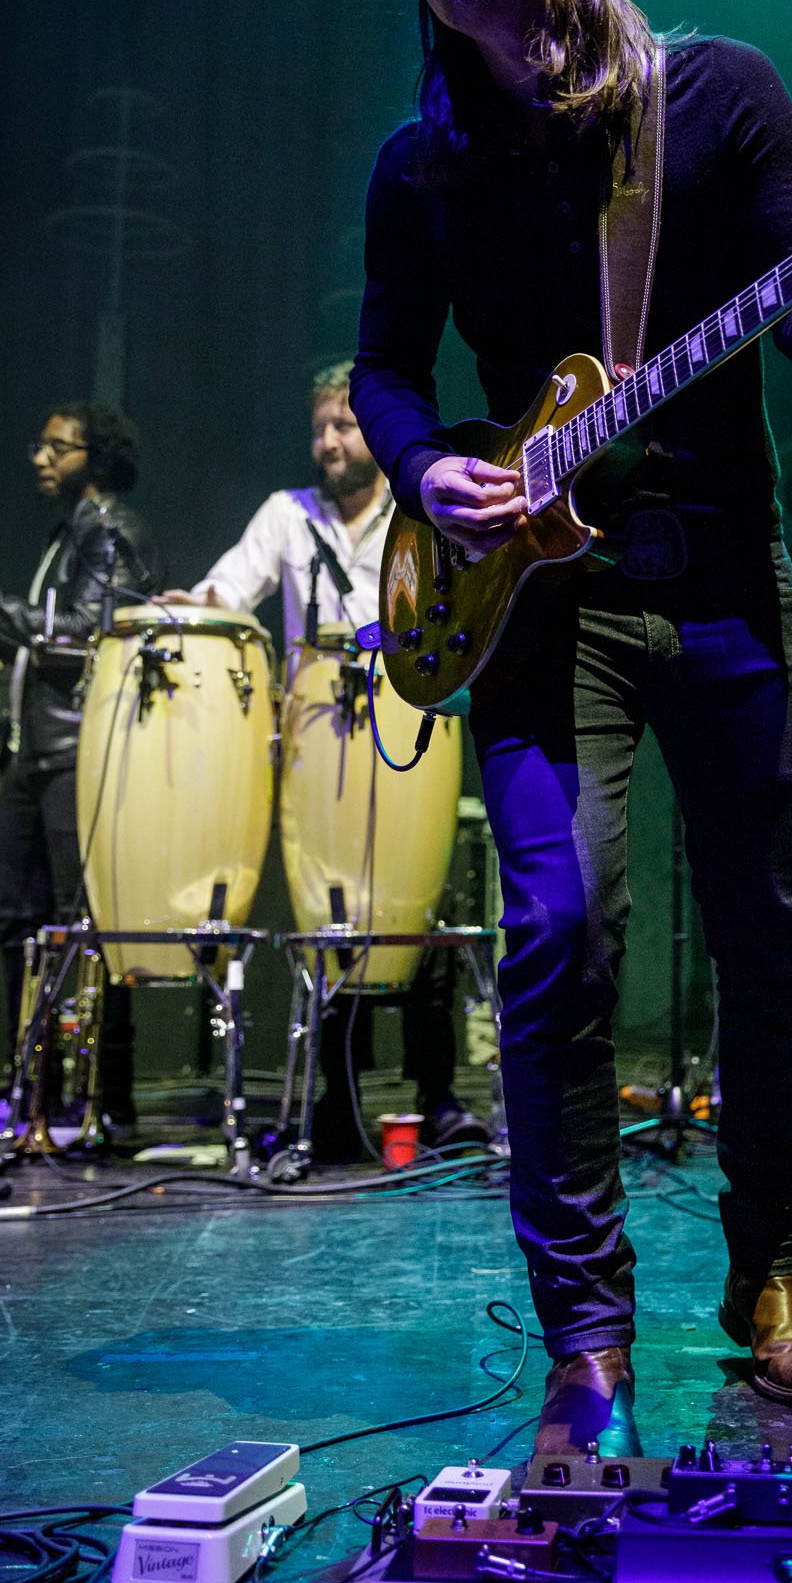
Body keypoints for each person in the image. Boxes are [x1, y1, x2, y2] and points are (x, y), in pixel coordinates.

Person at [350, 0, 792, 1454]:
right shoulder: (421, 162)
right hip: (533, 604)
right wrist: (421, 459)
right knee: (559, 932)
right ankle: (586, 1337)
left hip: (722, 578)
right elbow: (385, 363)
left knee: (763, 938)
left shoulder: (718, 97)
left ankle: (771, 1275)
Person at [174, 363, 488, 1157]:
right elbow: (228, 590)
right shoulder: (286, 516)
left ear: (374, 436)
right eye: (319, 428)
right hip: (317, 733)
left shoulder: (419, 511)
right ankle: (337, 1100)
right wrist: (189, 605)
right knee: (334, 912)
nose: (328, 443)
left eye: (343, 426)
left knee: (423, 902)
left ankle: (437, 1094)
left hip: (412, 715)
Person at [0, 402, 163, 1129]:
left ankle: (104, 1098)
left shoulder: (110, 530)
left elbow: (89, 638)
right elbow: (47, 649)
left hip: (80, 756)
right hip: (36, 753)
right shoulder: (69, 533)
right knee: (19, 921)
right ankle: (34, 1089)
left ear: (97, 459)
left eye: (58, 447)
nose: (40, 459)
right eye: (39, 445)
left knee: (83, 929)